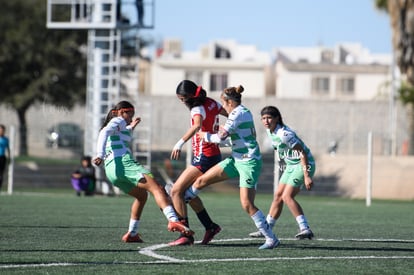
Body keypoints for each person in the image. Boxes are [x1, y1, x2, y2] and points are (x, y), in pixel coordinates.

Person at [184, 85, 280, 250]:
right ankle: (185, 197)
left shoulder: (236, 114)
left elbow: (220, 137)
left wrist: (203, 135)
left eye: (223, 103)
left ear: (228, 101)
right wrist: (219, 138)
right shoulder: (242, 112)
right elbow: (237, 138)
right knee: (200, 181)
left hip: (249, 162)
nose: (223, 107)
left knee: (247, 204)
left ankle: (271, 238)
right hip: (237, 159)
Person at [93, 100, 193, 243]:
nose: (130, 118)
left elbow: (119, 135)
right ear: (121, 112)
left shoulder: (121, 125)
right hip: (124, 164)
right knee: (157, 188)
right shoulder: (118, 120)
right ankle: (173, 220)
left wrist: (131, 127)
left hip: (112, 171)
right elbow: (104, 132)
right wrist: (99, 154)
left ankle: (132, 233)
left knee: (141, 197)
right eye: (129, 114)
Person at [168, 80, 227, 246]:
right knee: (187, 194)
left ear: (188, 97)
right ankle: (210, 226)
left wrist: (179, 143)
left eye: (182, 99)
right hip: (211, 154)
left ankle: (185, 234)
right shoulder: (212, 103)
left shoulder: (197, 108)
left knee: (176, 191)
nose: (182, 102)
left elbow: (197, 126)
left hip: (205, 156)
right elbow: (230, 115)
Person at [249, 106, 316, 240]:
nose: (266, 121)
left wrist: (307, 175)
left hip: (303, 164)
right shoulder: (270, 132)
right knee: (278, 195)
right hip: (291, 165)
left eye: (269, 118)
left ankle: (305, 228)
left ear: (277, 118)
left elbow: (302, 153)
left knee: (287, 196)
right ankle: (266, 229)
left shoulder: (284, 135)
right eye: (263, 118)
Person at [0, 125, 10, 192]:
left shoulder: (6, 139)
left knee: (1, 174)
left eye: (2, 130)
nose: (1, 131)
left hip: (2, 158)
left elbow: (8, 149)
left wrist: (9, 158)